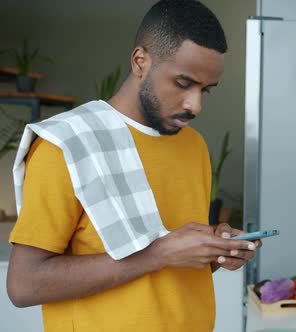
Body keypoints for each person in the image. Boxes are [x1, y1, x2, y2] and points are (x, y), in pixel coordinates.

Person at [6, 1, 258, 331]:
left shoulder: (193, 146)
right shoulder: (67, 145)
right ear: (141, 61)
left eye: (206, 90)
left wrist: (215, 252)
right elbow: (24, 285)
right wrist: (158, 254)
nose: (195, 104)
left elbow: (169, 270)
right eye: (183, 84)